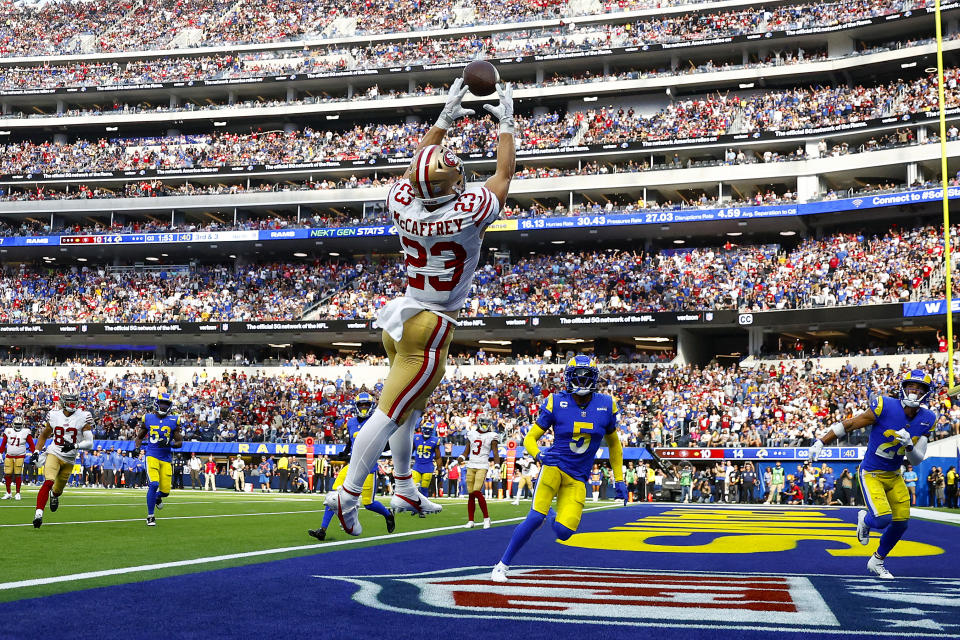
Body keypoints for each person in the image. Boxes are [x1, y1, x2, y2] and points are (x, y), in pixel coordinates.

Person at [326, 77, 515, 535]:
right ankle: (347, 496)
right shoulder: (468, 209)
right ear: (456, 185)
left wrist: (443, 120)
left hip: (400, 318)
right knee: (389, 413)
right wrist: (507, 123)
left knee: (409, 409)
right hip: (430, 324)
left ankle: (404, 483)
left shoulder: (400, 202)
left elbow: (417, 170)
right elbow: (504, 175)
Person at [492, 356, 626, 582]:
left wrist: (619, 479)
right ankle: (501, 565)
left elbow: (614, 444)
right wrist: (538, 455)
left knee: (564, 533)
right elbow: (530, 439)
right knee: (535, 518)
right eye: (578, 376)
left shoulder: (606, 404)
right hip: (553, 466)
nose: (582, 382)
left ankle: (550, 514)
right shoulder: (556, 401)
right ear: (568, 377)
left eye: (586, 377)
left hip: (578, 476)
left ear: (594, 379)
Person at [809, 369, 937, 579]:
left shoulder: (928, 418)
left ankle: (877, 561)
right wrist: (821, 441)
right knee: (882, 519)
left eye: (919, 389)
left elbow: (916, 459)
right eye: (911, 387)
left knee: (901, 523)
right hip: (872, 472)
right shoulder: (885, 405)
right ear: (903, 389)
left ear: (926, 393)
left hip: (894, 474)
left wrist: (909, 447)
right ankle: (865, 520)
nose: (914, 392)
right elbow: (851, 423)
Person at [309, 392, 395, 541]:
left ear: (371, 406)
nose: (363, 407)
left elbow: (386, 442)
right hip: (353, 464)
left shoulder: (376, 422)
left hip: (369, 467)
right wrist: (345, 452)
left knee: (368, 503)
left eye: (366, 404)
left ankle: (388, 514)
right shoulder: (351, 422)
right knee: (333, 497)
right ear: (356, 406)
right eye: (361, 404)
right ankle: (322, 530)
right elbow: (351, 441)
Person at [32, 391, 95, 528]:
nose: (72, 405)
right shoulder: (54, 415)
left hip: (70, 458)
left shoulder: (84, 416)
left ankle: (54, 496)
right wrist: (36, 451)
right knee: (48, 481)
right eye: (69, 402)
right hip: (54, 452)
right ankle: (38, 514)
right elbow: (44, 435)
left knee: (58, 490)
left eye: (74, 402)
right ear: (62, 403)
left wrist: (74, 445)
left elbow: (90, 443)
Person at [134, 392, 184, 526]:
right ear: (157, 403)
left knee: (165, 492)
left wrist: (171, 444)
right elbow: (139, 436)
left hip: (166, 458)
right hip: (152, 455)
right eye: (162, 403)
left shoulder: (174, 420)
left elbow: (180, 442)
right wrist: (138, 448)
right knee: (154, 484)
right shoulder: (147, 418)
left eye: (166, 404)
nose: (163, 406)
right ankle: (150, 516)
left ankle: (157, 498)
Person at [461, 413, 500, 529]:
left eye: (486, 423)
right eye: (483, 423)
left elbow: (495, 452)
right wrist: (458, 460)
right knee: (471, 494)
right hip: (471, 464)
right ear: (479, 422)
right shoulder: (471, 434)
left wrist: (497, 467)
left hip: (482, 465)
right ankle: (471, 520)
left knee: (476, 491)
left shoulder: (492, 435)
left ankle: (487, 518)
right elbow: (466, 452)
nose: (484, 425)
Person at [1, 415, 35, 500]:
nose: (18, 426)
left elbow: (31, 444)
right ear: (13, 424)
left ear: (22, 424)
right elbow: (4, 443)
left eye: (19, 424)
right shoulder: (8, 431)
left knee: (18, 474)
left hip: (20, 455)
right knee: (7, 474)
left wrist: (34, 453)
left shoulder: (25, 431)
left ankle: (18, 493)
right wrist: (0, 452)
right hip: (9, 455)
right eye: (16, 424)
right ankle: (8, 492)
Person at [412, 422, 442, 497]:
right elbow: (410, 452)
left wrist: (439, 468)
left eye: (429, 429)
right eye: (426, 429)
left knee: (424, 488)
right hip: (417, 466)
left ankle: (425, 504)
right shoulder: (416, 438)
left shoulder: (435, 440)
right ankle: (414, 503)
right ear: (422, 429)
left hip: (428, 467)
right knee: (414, 487)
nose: (427, 431)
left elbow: (438, 457)